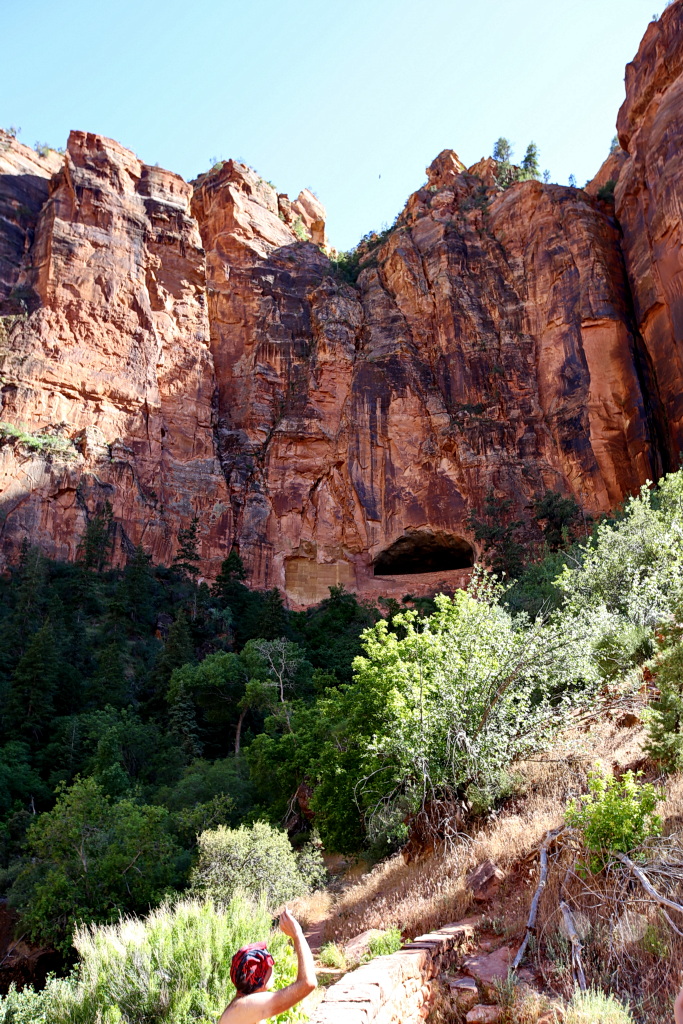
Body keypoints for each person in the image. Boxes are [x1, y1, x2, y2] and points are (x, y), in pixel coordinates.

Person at [218, 908, 316, 1024]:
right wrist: (297, 934)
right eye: (270, 965)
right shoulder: (247, 1005)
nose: (273, 968)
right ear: (260, 976)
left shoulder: (242, 1004)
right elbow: (307, 983)